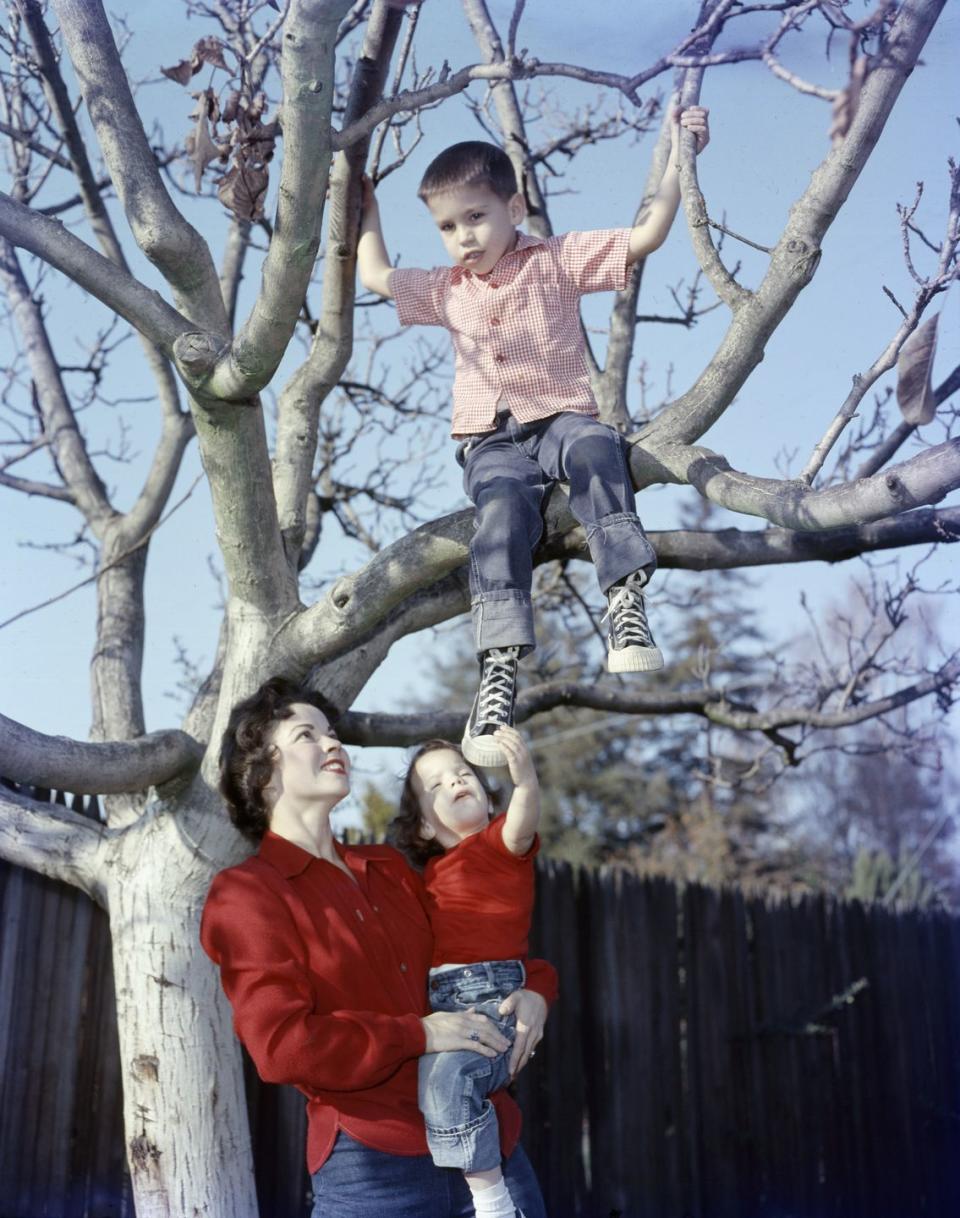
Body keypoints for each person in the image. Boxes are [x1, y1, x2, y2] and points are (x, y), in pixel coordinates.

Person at [357, 107, 710, 769]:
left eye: (476, 217)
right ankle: (498, 668)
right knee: (499, 515)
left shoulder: (556, 259)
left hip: (559, 419)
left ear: (513, 204)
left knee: (596, 448)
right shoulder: (446, 290)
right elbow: (374, 275)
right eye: (446, 227)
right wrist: (363, 205)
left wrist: (679, 149)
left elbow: (649, 233)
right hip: (490, 441)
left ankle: (625, 595)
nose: (463, 237)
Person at [200, 676, 556, 1217]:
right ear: (262, 773)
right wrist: (418, 1033)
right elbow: (283, 1045)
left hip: (490, 1148)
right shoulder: (247, 894)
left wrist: (536, 991)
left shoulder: (389, 869)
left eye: (333, 733)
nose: (332, 743)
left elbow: (476, 951)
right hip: (372, 1171)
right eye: (307, 735)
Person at [390, 727, 540, 1218]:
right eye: (437, 785)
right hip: (446, 1004)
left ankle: (491, 1199)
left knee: (445, 1079)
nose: (456, 781)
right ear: (425, 829)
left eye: (464, 773)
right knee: (440, 1081)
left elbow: (521, 824)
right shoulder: (428, 878)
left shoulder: (499, 845)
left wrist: (524, 783)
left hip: (491, 998)